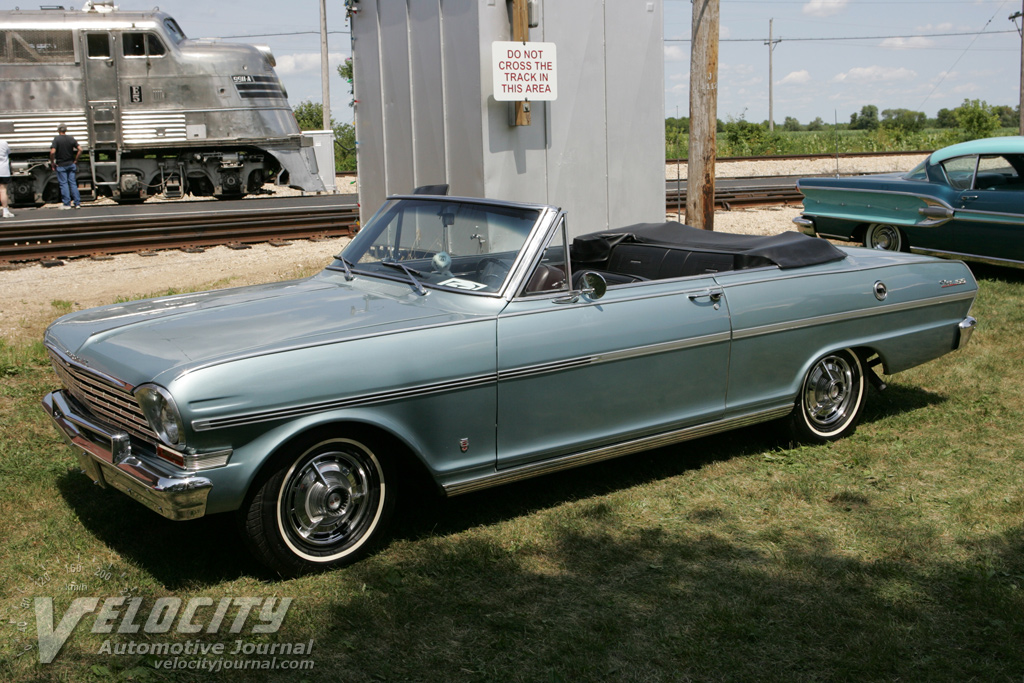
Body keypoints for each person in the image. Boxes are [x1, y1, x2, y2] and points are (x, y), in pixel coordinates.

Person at [49, 123, 81, 210]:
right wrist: (76, 160)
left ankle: (67, 204)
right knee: (73, 183)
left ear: (58, 130)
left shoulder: (56, 139)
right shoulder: (71, 138)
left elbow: (52, 152)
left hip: (61, 165)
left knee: (64, 184)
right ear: (66, 130)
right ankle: (77, 203)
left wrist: (52, 162)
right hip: (71, 164)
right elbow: (80, 149)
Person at [0, 138, 13, 218]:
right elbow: (8, 152)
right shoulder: (4, 143)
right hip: (3, 170)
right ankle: (5, 211)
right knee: (3, 190)